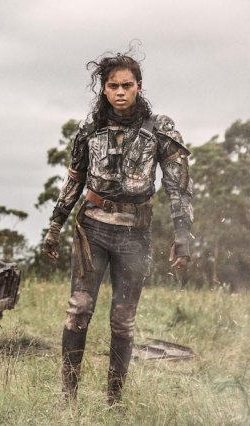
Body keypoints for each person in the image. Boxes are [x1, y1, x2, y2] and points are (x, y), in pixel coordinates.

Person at [42, 52, 193, 405]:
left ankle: (114, 400)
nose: (120, 92)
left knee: (123, 320)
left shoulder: (160, 129)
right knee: (79, 309)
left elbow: (179, 187)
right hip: (92, 229)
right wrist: (55, 225)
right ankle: (68, 397)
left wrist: (183, 235)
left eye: (127, 85)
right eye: (113, 86)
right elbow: (74, 179)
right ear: (104, 89)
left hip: (134, 234)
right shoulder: (90, 129)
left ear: (139, 86)